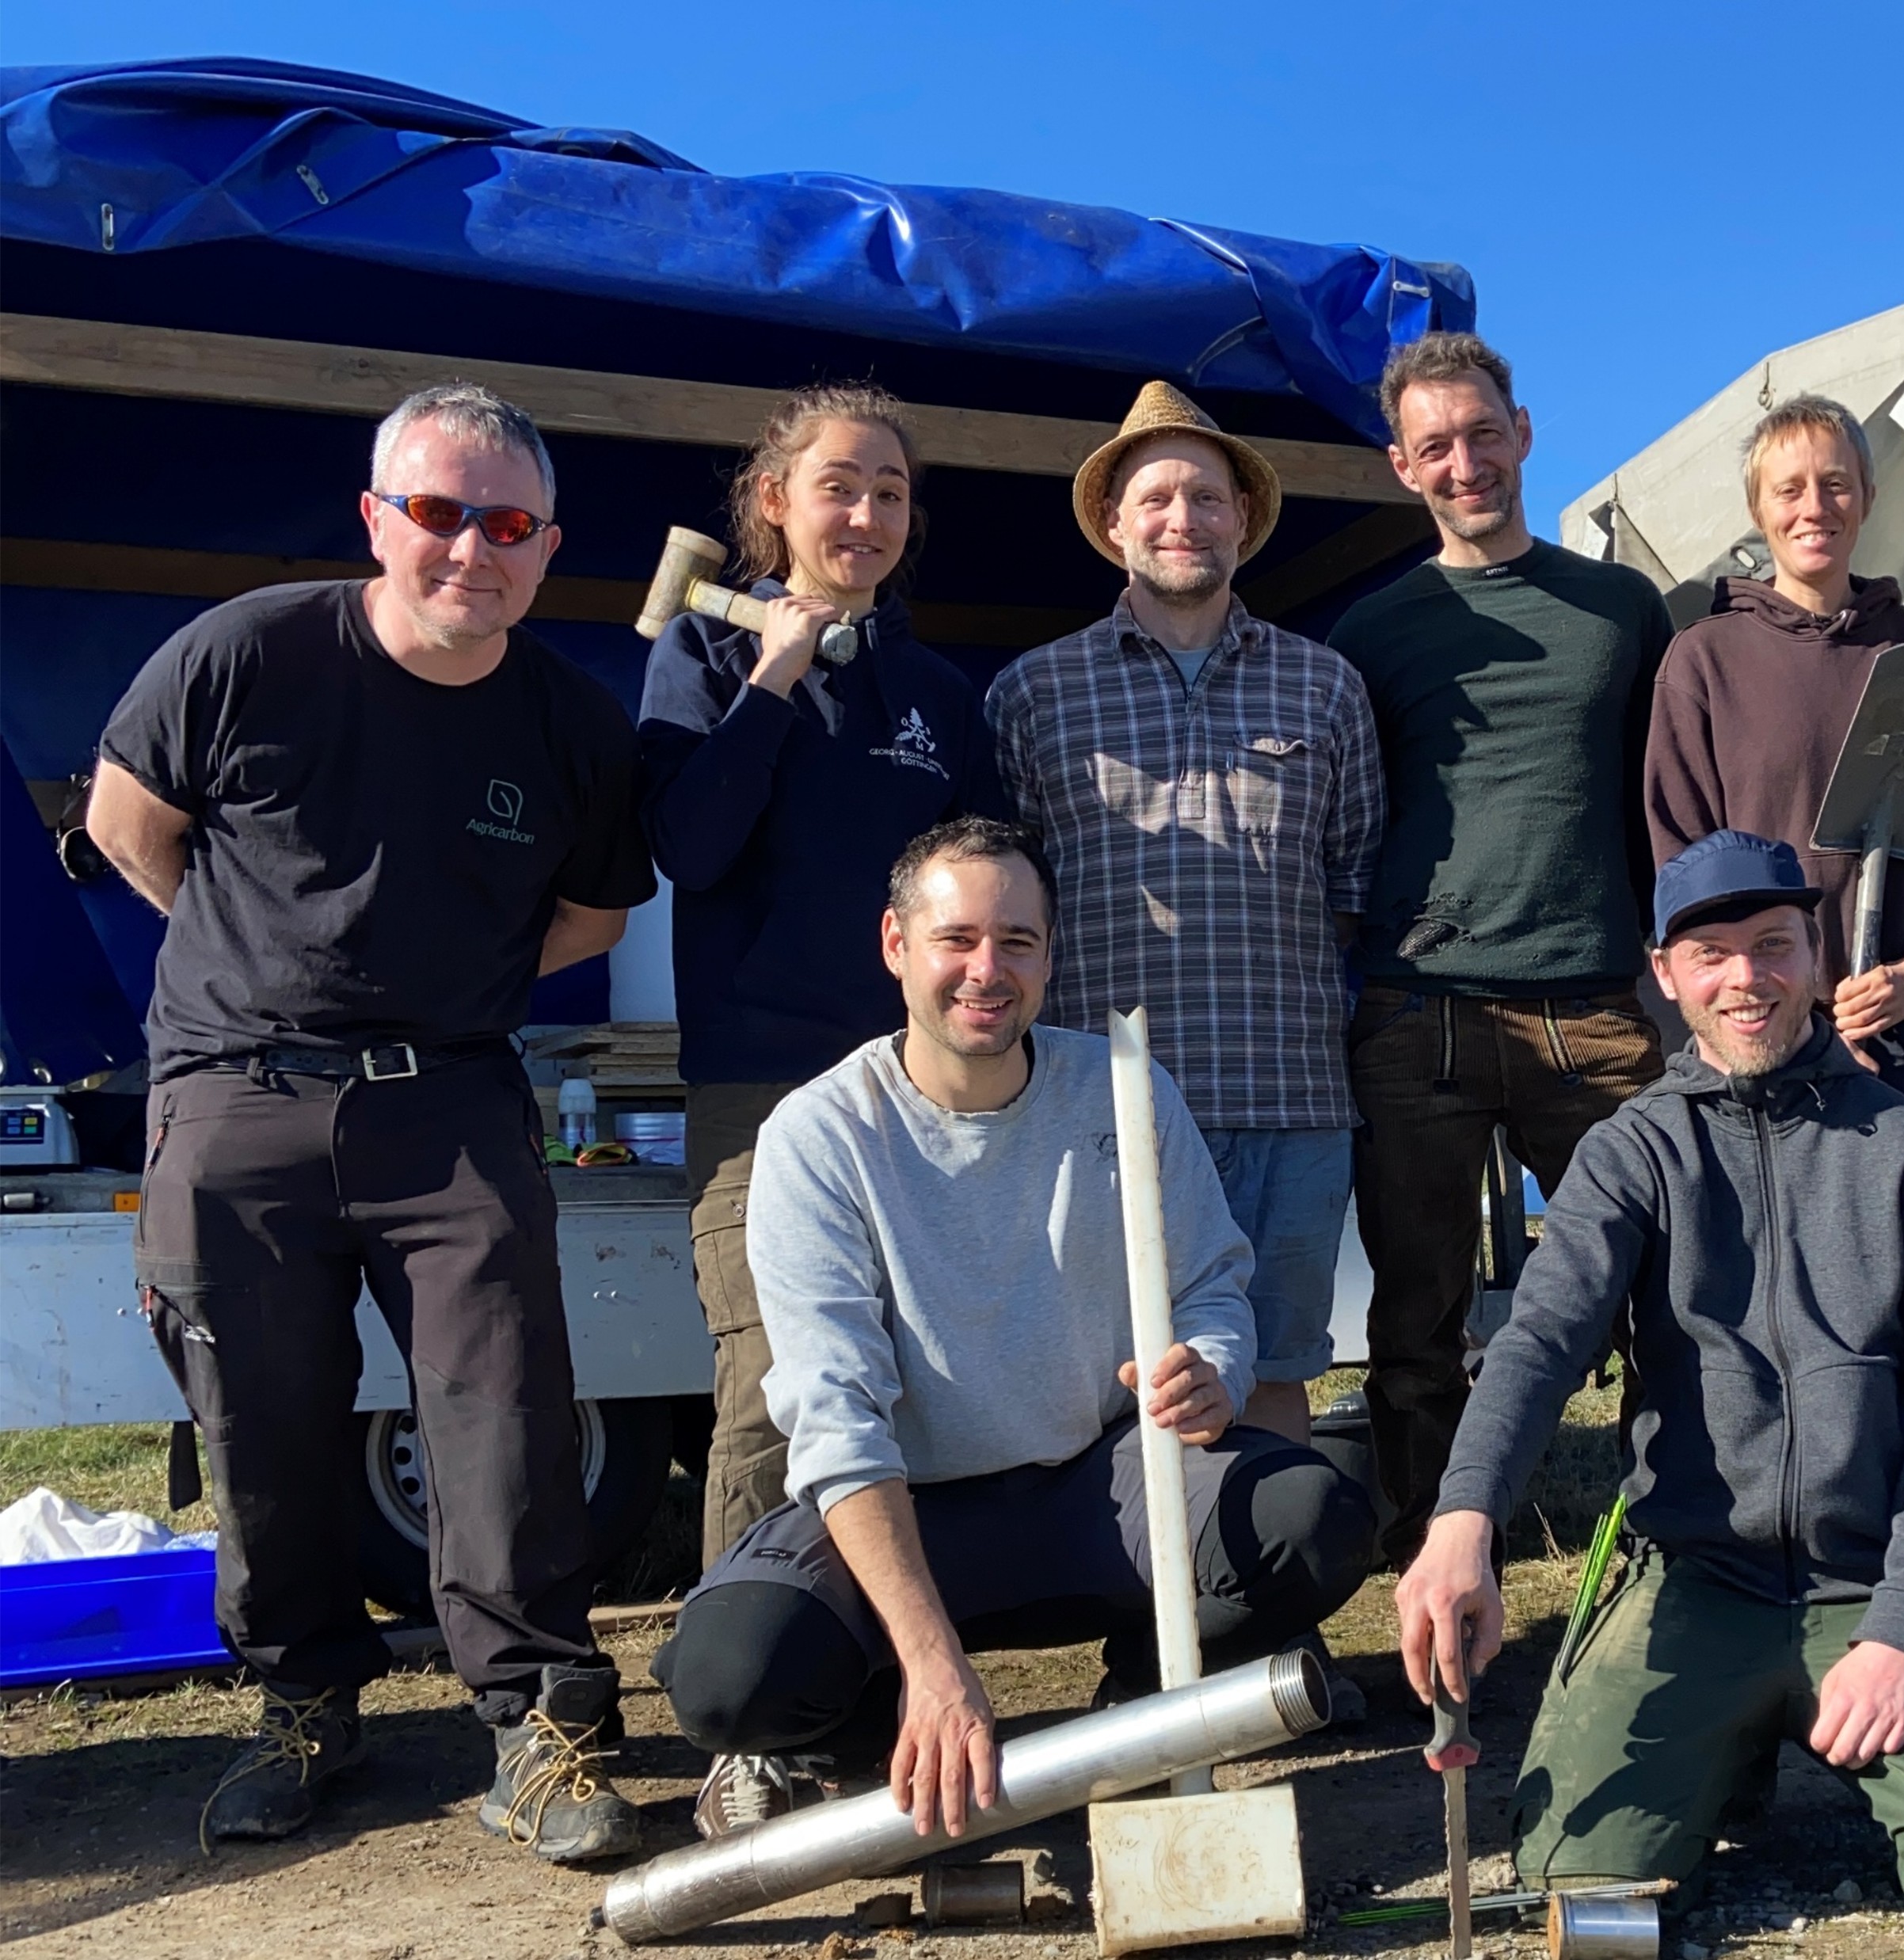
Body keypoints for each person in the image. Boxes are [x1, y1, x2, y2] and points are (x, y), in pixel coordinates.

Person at [85, 385, 655, 1860]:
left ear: (546, 550)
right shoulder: (247, 651)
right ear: (375, 519)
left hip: (450, 1104)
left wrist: (443, 987)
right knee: (259, 1422)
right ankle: (303, 1711)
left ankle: (537, 1723)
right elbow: (124, 829)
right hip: (234, 1096)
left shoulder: (571, 723)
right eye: (440, 513)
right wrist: (256, 975)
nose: (473, 548)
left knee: (504, 1411)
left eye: (510, 524)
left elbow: (592, 912)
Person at [1395, 832, 1904, 1944]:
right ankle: (1734, 1745)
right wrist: (1463, 1515)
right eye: (1711, 953)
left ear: (1813, 956)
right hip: (1697, 1576)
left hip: (1868, 1585)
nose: (1745, 979)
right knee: (1582, 1885)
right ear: (1666, 974)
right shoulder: (1632, 1152)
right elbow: (1538, 1340)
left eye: (1772, 945)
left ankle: (1846, 1723)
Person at [652, 817, 1373, 1839]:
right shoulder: (820, 1137)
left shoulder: (1122, 1088)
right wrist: (933, 1663)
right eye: (956, 940)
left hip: (1097, 1491)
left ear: (1049, 955)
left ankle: (1145, 1692)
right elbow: (836, 1419)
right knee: (732, 1674)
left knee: (1311, 1515)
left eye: (1017, 942)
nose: (986, 971)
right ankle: (859, 1740)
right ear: (897, 947)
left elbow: (1211, 1283)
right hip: (907, 1511)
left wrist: (1210, 1366)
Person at [639, 382, 1003, 1570]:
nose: (865, 513)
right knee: (772, 1387)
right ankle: (752, 1702)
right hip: (761, 1092)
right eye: (838, 486)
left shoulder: (942, 697)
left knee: (915, 1375)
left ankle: (889, 1644)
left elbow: (979, 893)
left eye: (889, 491)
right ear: (774, 501)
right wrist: (773, 680)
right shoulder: (703, 649)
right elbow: (686, 847)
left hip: (914, 1093)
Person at [1327, 331, 1671, 1568]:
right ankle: (1433, 1561)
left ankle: (1673, 1549)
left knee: (1661, 1288)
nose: (1465, 462)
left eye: (1483, 434)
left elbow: (1663, 797)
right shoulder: (1373, 633)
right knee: (1415, 1318)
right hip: (1418, 1010)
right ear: (1401, 467)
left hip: (1593, 1003)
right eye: (1436, 447)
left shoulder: (1622, 609)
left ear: (1522, 432)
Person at [987, 382, 1383, 1452]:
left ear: (1243, 520)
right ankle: (1148, 1610)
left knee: (1275, 1367)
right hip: (1104, 1111)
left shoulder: (1327, 688)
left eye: (1206, 497)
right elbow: (1007, 914)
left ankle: (1267, 1611)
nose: (1181, 518)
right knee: (1123, 1378)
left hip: (1289, 1095)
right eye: (1155, 497)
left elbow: (1354, 890)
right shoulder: (1032, 695)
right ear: (1114, 524)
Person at [1643, 394, 1904, 1127]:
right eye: (1790, 488)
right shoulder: (1705, 661)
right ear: (1758, 508)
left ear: (1868, 496)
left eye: (1836, 483)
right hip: (1761, 1034)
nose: (1816, 506)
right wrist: (1792, 1011)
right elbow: (1682, 875)